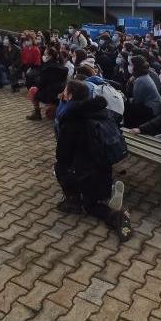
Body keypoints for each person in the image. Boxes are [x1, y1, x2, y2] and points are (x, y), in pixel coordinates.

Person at [54, 80, 132, 241]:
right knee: (93, 202)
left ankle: (73, 201)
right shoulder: (101, 111)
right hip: (104, 167)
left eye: (65, 91)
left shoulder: (72, 120)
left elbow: (62, 155)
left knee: (59, 167)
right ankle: (109, 201)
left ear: (70, 96)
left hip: (84, 171)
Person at [27, 48, 68, 121]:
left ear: (50, 56)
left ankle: (37, 114)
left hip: (49, 93)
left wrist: (36, 83)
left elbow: (41, 83)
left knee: (32, 90)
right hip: (60, 92)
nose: (43, 56)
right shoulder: (63, 67)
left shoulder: (47, 68)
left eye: (45, 54)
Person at [123, 56, 161, 128]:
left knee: (127, 108)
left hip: (152, 109)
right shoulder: (143, 76)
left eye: (131, 64)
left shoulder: (140, 80)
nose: (129, 66)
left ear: (136, 66)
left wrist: (127, 100)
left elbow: (137, 101)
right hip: (153, 106)